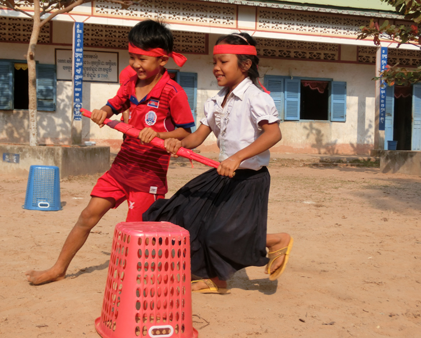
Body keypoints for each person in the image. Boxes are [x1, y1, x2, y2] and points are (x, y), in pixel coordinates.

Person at [25, 19, 195, 285]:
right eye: (132, 57)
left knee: (136, 236)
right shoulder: (130, 84)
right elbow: (114, 104)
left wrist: (161, 135)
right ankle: (58, 268)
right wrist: (104, 112)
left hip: (147, 177)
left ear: (162, 60)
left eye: (142, 58)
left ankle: (140, 289)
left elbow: (186, 132)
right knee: (86, 216)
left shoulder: (173, 93)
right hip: (121, 168)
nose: (136, 64)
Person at [143, 32, 293, 294]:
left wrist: (237, 157)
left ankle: (277, 240)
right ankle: (216, 279)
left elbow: (274, 134)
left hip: (249, 178)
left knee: (219, 233)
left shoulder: (257, 98)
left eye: (223, 62)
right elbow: (196, 138)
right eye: (215, 62)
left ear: (245, 65)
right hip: (222, 174)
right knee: (180, 213)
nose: (216, 68)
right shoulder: (214, 101)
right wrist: (170, 140)